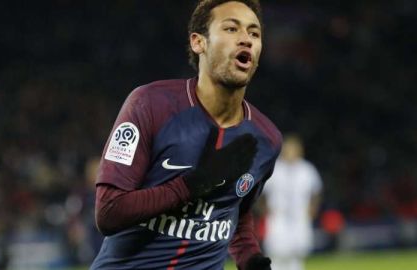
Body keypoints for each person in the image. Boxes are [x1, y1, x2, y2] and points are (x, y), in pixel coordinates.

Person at [90, 1, 282, 269]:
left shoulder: (267, 139)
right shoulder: (151, 104)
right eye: (231, 28)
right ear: (198, 43)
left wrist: (249, 257)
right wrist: (191, 185)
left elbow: (236, 211)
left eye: (254, 33)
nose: (246, 40)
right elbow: (109, 212)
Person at [262, 134, 322, 270]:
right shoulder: (275, 169)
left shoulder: (307, 169)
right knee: (276, 252)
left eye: (293, 149)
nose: (290, 153)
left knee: (297, 252)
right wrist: (264, 209)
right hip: (278, 216)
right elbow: (261, 192)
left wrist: (313, 208)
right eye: (288, 149)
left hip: (300, 216)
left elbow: (316, 191)